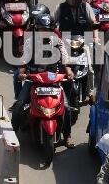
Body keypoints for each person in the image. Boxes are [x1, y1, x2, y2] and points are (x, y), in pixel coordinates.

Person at [11, 12, 75, 151]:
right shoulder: (30, 42)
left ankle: (67, 135)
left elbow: (65, 58)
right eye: (41, 29)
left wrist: (68, 70)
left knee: (67, 108)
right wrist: (22, 72)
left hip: (53, 80)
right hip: (34, 80)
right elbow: (23, 60)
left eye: (46, 30)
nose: (43, 33)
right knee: (19, 104)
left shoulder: (57, 42)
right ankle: (12, 135)